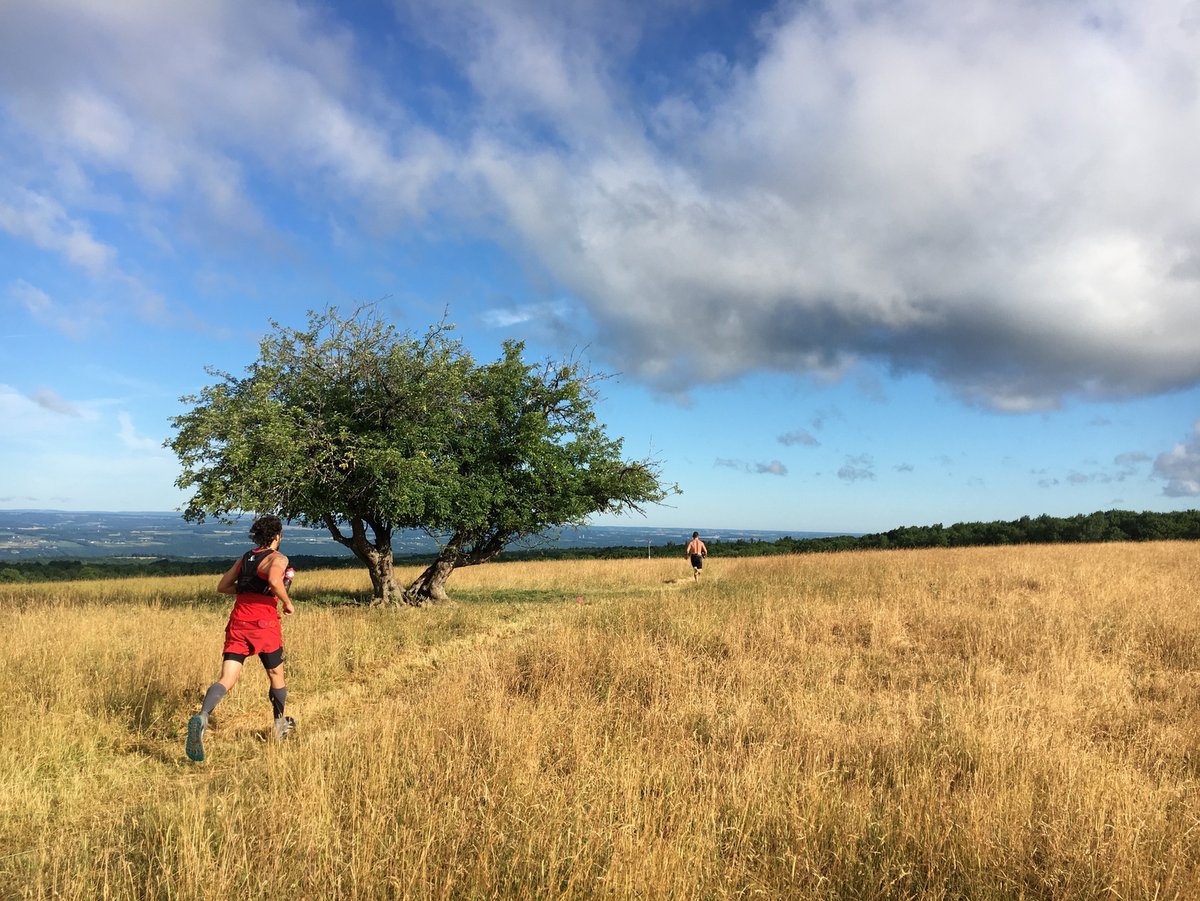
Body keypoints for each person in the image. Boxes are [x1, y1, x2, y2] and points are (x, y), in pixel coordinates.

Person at [186, 514, 296, 762]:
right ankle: (280, 726)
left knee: (227, 677)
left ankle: (202, 717)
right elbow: (275, 579)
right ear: (277, 536)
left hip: (238, 621)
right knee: (276, 674)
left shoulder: (246, 557)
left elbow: (223, 586)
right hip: (263, 623)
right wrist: (286, 602)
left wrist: (247, 588)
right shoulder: (277, 558)